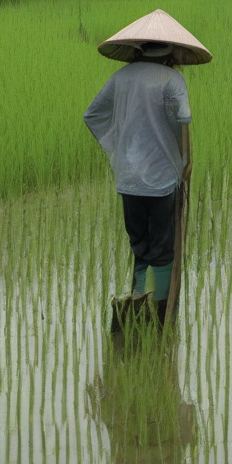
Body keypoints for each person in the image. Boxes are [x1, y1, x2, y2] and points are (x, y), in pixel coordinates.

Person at [84, 40, 193, 318]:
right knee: (163, 246)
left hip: (128, 176)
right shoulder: (172, 79)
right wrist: (185, 164)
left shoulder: (121, 76)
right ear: (169, 52)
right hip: (162, 177)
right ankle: (161, 309)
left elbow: (93, 114)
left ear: (140, 50)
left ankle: (136, 299)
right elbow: (183, 120)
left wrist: (116, 147)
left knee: (139, 243)